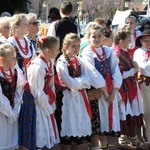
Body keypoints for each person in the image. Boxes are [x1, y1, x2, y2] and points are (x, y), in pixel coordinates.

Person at [81, 23, 123, 150]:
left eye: (99, 36)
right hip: (96, 90)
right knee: (96, 122)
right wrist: (104, 91)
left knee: (105, 125)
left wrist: (115, 90)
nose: (97, 39)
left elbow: (115, 69)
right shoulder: (87, 51)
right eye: (94, 36)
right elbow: (92, 72)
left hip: (110, 90)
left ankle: (104, 147)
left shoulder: (107, 51)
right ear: (89, 37)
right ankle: (94, 147)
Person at [22, 36, 60, 149]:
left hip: (45, 101)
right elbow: (37, 91)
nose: (59, 51)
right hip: (35, 103)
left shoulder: (49, 63)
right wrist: (47, 107)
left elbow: (51, 84)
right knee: (38, 135)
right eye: (57, 49)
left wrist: (51, 103)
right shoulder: (37, 67)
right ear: (48, 51)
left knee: (46, 134)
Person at [56, 33, 92, 150]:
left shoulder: (79, 60)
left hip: (79, 98)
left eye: (78, 46)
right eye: (73, 46)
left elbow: (88, 80)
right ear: (65, 46)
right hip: (66, 99)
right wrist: (80, 82)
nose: (76, 49)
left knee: (77, 127)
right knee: (67, 127)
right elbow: (69, 83)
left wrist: (78, 82)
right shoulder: (61, 62)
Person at [113, 29, 147, 149]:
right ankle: (123, 140)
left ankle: (133, 139)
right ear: (121, 41)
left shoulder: (124, 52)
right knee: (125, 113)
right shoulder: (117, 54)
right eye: (128, 40)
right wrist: (134, 70)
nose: (129, 42)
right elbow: (119, 74)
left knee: (131, 113)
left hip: (130, 87)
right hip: (124, 88)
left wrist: (134, 66)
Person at [0, 43, 25, 150]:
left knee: (12, 140)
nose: (15, 60)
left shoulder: (15, 72)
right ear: (2, 60)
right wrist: (10, 112)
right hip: (2, 113)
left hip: (13, 112)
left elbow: (19, 89)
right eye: (12, 58)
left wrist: (15, 109)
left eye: (16, 57)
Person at [134, 30, 150, 145]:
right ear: (141, 41)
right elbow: (144, 68)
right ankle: (147, 138)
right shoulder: (139, 52)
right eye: (145, 40)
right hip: (146, 84)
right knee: (147, 111)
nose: (148, 43)